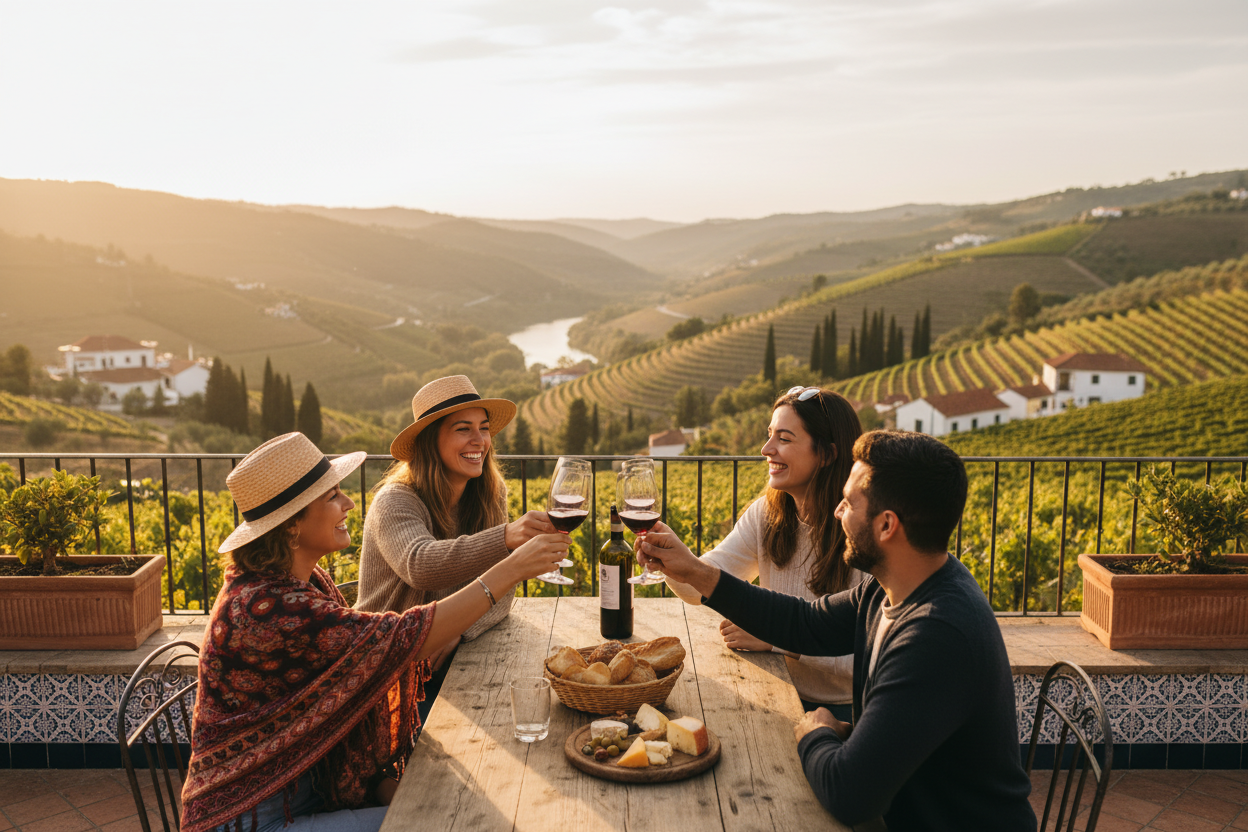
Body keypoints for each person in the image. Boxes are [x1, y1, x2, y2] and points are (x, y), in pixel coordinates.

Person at [639, 430, 1035, 831]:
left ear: (886, 525)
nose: (837, 512)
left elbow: (850, 795)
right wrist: (695, 571)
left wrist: (816, 731)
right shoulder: (894, 586)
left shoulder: (935, 635)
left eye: (849, 503)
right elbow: (803, 623)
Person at [179, 432, 568, 832]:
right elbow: (404, 636)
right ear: (292, 524)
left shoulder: (301, 581)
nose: (348, 503)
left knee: (452, 801)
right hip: (254, 820)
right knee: (452, 820)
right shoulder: (267, 609)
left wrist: (382, 786)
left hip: (310, 791)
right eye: (332, 496)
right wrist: (512, 568)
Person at [356, 375, 553, 721]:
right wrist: (506, 538)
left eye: (484, 428)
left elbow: (504, 590)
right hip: (384, 673)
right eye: (463, 429)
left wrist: (457, 630)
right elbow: (420, 565)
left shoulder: (489, 495)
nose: (479, 440)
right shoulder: (395, 501)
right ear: (430, 442)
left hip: (447, 662)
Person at [664, 385, 864, 721]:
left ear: (827, 454)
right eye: (770, 435)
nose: (766, 449)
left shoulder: (861, 532)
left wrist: (773, 640)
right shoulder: (767, 516)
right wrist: (670, 561)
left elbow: (865, 657)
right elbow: (699, 587)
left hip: (845, 711)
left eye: (783, 439)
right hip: (776, 688)